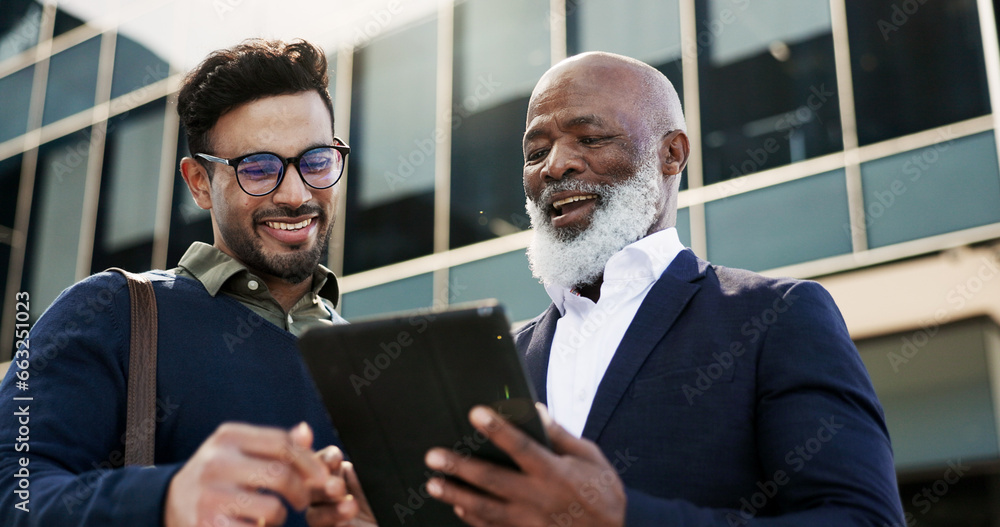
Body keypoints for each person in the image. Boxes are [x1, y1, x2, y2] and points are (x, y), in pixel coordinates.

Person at [420, 52, 906, 526]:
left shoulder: (778, 316)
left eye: (589, 138)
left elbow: (864, 518)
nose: (556, 165)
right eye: (536, 151)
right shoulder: (503, 356)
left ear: (671, 154)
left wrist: (623, 518)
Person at [0, 39, 363, 527]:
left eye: (316, 161)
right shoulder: (112, 309)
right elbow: (12, 489)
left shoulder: (369, 355)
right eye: (258, 168)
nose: (297, 195)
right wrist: (166, 499)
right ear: (198, 183)